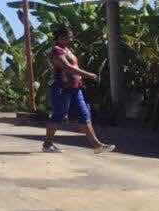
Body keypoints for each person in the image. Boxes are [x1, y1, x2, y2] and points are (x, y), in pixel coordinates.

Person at [43, 26, 114, 154]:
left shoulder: (68, 50)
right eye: (67, 36)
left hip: (75, 89)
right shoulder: (56, 51)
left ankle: (97, 146)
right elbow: (67, 67)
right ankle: (47, 145)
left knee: (84, 114)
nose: (70, 39)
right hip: (62, 88)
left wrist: (81, 79)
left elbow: (73, 66)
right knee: (58, 115)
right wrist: (89, 75)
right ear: (59, 37)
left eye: (70, 36)